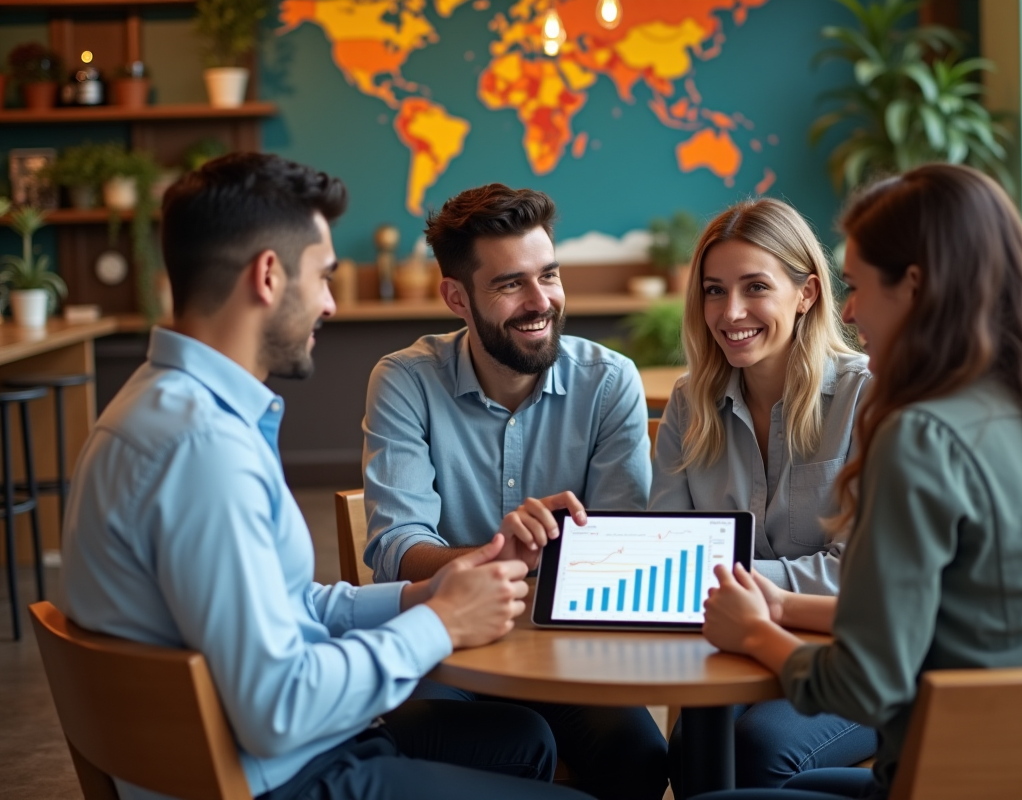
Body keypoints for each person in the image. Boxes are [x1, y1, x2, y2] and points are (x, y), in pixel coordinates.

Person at [60, 154, 591, 800]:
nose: (331, 304)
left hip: (259, 752)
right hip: (273, 777)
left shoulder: (159, 406)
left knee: (522, 741)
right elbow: (277, 708)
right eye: (323, 276)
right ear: (268, 276)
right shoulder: (203, 451)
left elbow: (291, 607)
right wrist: (442, 626)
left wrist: (427, 594)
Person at [695, 163, 1022, 800]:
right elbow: (948, 616)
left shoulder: (920, 436)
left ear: (913, 285)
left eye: (856, 285)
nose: (848, 311)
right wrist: (787, 607)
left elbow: (864, 684)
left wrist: (758, 635)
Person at [362, 183, 666, 800]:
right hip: (450, 641)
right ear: (457, 297)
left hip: (572, 650)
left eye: (548, 276)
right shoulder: (405, 381)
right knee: (487, 741)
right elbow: (396, 547)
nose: (540, 302)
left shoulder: (608, 383)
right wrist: (497, 554)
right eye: (509, 285)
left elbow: (621, 550)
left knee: (640, 758)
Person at [648, 198, 876, 792]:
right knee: (689, 747)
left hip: (851, 659)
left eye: (755, 287)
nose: (731, 312)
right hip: (725, 651)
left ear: (806, 294)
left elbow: (858, 575)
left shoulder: (865, 398)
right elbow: (665, 554)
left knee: (757, 748)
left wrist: (732, 586)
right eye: (714, 290)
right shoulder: (688, 402)